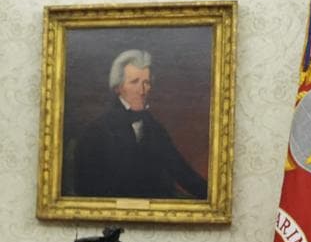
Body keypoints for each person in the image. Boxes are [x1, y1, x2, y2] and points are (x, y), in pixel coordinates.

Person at [67, 49, 207, 199]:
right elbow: (85, 188)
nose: (142, 90)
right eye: (134, 82)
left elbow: (181, 171)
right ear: (118, 87)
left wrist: (213, 196)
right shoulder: (96, 131)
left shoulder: (155, 129)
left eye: (146, 82)